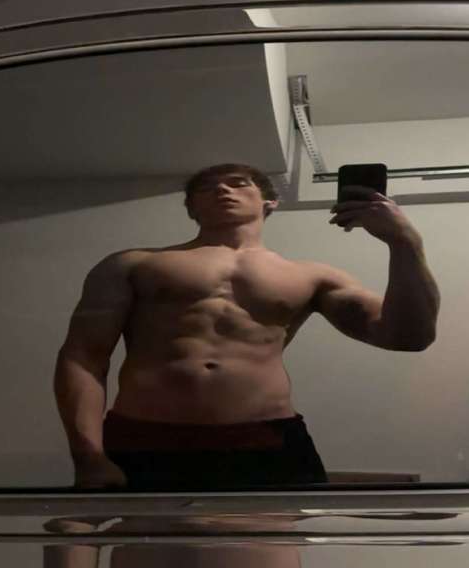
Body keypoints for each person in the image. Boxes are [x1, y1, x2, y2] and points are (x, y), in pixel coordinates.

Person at [54, 162, 440, 491]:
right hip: (145, 435)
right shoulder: (132, 264)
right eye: (206, 187)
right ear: (191, 208)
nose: (222, 189)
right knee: (140, 556)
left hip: (265, 438)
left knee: (268, 557)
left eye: (238, 182)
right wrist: (88, 455)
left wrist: (405, 242)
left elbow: (408, 337)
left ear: (270, 201)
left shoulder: (312, 275)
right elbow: (83, 357)